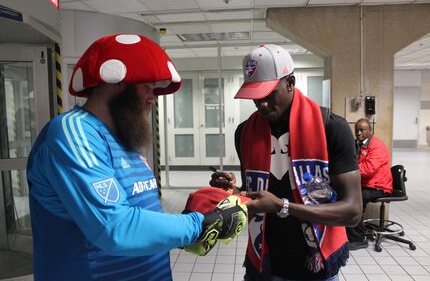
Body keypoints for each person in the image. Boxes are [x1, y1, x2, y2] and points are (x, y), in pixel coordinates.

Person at [26, 34, 247, 281]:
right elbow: (115, 227)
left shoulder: (122, 138)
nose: (153, 98)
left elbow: (141, 213)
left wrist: (203, 205)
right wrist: (200, 224)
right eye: (147, 87)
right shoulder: (71, 132)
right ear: (117, 81)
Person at [209, 44, 362, 281]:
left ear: (290, 82)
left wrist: (283, 206)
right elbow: (255, 196)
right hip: (265, 262)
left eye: (269, 94)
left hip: (315, 261)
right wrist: (234, 192)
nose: (261, 104)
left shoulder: (331, 128)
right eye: (255, 97)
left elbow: (352, 211)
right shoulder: (245, 132)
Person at [346, 118, 393, 250]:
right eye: (357, 130)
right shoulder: (359, 144)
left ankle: (359, 239)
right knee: (346, 195)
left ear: (370, 130)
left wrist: (348, 170)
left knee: (354, 200)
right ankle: (351, 233)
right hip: (367, 184)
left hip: (379, 186)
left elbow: (368, 169)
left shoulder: (377, 146)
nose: (359, 133)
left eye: (362, 130)